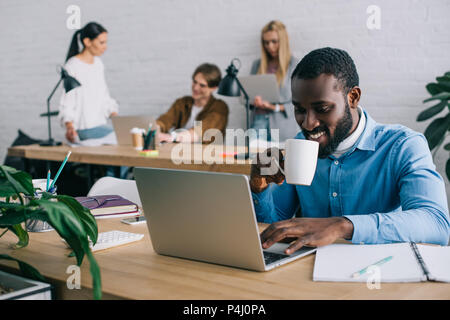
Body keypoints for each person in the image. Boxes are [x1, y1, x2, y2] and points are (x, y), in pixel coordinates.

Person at [250, 47, 450, 255]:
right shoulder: (300, 144)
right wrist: (259, 189)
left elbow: (436, 224)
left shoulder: (403, 146)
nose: (308, 124)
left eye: (322, 109)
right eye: (300, 110)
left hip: (382, 273)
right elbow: (273, 229)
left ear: (353, 97)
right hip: (308, 276)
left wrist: (343, 226)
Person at [58, 22, 119, 143]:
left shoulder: (98, 64)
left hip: (100, 126)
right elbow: (67, 102)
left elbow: (104, 96)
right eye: (101, 42)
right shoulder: (72, 66)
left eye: (106, 42)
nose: (105, 46)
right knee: (119, 140)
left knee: (128, 137)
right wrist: (70, 127)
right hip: (83, 129)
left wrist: (114, 114)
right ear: (87, 42)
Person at [249, 20, 299, 143]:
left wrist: (273, 107)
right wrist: (253, 101)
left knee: (279, 160)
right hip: (258, 121)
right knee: (255, 159)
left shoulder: (294, 65)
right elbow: (247, 95)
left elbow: (300, 102)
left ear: (283, 41)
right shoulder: (257, 65)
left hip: (282, 125)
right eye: (266, 43)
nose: (270, 46)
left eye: (274, 42)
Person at [157, 63, 229, 144]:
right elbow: (165, 120)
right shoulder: (183, 103)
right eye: (195, 82)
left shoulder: (220, 107)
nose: (195, 88)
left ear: (213, 88)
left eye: (202, 85)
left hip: (205, 154)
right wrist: (156, 130)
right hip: (180, 152)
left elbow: (201, 130)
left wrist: (173, 137)